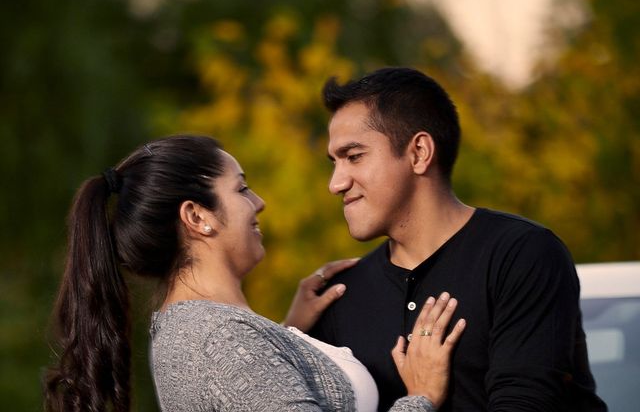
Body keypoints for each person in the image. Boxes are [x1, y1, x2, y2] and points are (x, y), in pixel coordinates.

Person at [43, 134, 466, 412]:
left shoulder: (209, 335)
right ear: (197, 217)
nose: (258, 201)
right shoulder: (212, 341)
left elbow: (250, 389)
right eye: (241, 188)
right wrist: (420, 397)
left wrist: (288, 336)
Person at [309, 67, 607, 411]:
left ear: (419, 152)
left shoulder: (521, 255)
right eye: (334, 162)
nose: (336, 183)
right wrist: (291, 329)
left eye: (354, 157)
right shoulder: (341, 295)